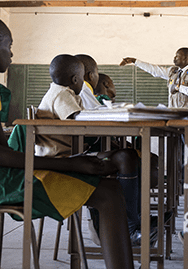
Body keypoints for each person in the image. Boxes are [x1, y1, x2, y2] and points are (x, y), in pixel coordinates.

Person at [0, 14, 134, 269]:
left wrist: (68, 163)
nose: (12, 54)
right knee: (107, 192)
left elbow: (3, 152)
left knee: (108, 189)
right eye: (10, 46)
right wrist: (72, 164)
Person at [34, 54, 156, 246]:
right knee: (125, 157)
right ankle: (131, 226)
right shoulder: (62, 94)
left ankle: (133, 223)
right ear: (76, 80)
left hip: (71, 153)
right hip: (62, 159)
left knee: (127, 156)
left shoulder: (63, 93)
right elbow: (78, 121)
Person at [120, 47, 188, 172]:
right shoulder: (173, 71)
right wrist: (135, 61)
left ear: (186, 58)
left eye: (177, 56)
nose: (174, 58)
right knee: (177, 151)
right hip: (174, 119)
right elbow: (155, 70)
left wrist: (178, 87)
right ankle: (181, 183)